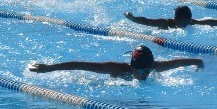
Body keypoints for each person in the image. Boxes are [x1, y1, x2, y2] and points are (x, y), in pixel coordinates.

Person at [30, 45, 203, 82]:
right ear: (133, 66)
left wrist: (196, 61)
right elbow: (79, 64)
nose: (146, 75)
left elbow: (175, 63)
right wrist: (48, 68)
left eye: (148, 70)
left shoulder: (152, 67)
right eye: (143, 71)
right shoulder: (116, 69)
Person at [124, 5, 217, 30]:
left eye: (188, 22)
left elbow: (208, 22)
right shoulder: (165, 24)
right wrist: (132, 18)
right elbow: (147, 21)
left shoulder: (190, 22)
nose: (186, 25)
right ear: (176, 19)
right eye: (184, 23)